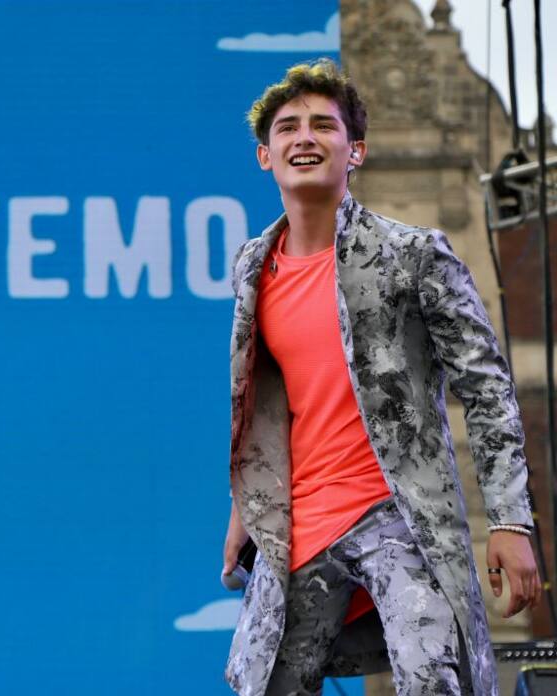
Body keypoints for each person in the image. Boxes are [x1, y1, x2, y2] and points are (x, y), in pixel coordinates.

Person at [221, 59, 541, 696]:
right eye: (287, 128)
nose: (304, 138)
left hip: (399, 515)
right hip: (303, 523)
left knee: (431, 681)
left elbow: (486, 387)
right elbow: (267, 403)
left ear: (355, 151)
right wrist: (244, 509)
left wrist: (509, 521)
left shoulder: (416, 254)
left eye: (323, 126)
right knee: (265, 686)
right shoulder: (253, 268)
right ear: (265, 156)